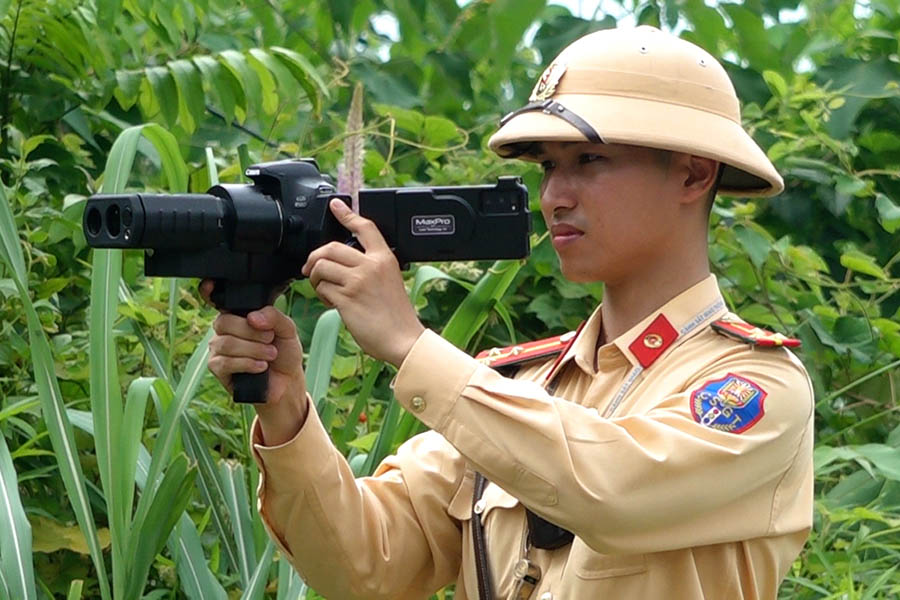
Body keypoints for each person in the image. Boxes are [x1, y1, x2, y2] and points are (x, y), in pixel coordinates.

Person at [203, 26, 813, 599]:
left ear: (694, 174)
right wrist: (285, 409)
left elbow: (611, 491)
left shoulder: (756, 389)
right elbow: (363, 566)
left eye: (590, 161)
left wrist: (410, 344)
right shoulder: (516, 387)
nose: (555, 195)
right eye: (549, 165)